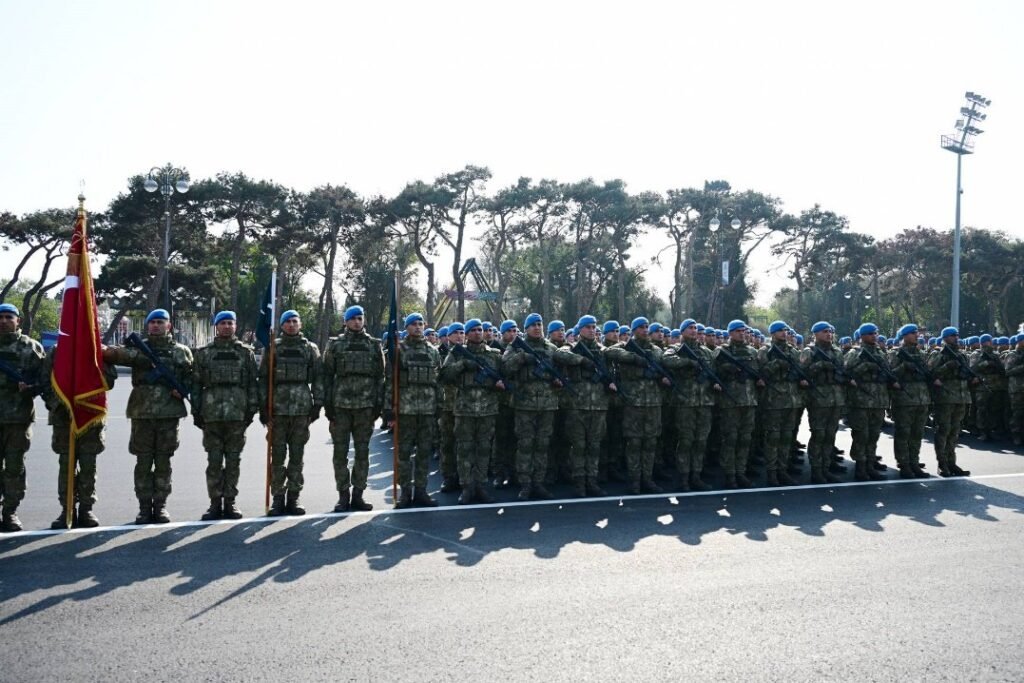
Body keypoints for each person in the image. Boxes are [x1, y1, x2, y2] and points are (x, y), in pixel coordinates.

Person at [103, 308, 193, 524]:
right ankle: (144, 507)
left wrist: (184, 390)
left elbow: (193, 377)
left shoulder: (181, 351)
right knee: (143, 462)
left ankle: (160, 506)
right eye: (152, 322)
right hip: (142, 413)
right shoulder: (139, 350)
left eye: (160, 322)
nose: (155, 325)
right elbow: (114, 354)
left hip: (168, 414)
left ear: (169, 326)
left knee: (163, 462)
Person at [502, 312, 584, 500]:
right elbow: (505, 368)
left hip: (547, 404)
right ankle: (525, 484)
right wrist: (521, 358)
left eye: (540, 324)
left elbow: (562, 366)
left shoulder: (550, 347)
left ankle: (539, 482)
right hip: (525, 404)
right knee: (525, 445)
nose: (537, 327)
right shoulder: (515, 347)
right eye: (533, 325)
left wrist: (558, 380)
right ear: (526, 329)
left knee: (542, 445)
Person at [191, 311, 259, 521]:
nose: (227, 326)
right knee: (213, 461)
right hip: (211, 415)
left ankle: (230, 502)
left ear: (235, 326)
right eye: (223, 323)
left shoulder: (245, 353)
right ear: (216, 327)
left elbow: (252, 384)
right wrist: (197, 410)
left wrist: (251, 410)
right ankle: (214, 503)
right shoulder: (203, 353)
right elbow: (196, 384)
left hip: (237, 415)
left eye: (230, 323)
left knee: (233, 461)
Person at [41, 343, 117, 528]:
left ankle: (86, 509)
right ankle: (66, 510)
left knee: (88, 465)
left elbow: (110, 380)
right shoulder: (57, 351)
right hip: (63, 417)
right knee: (66, 465)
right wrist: (60, 403)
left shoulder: (96, 348)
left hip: (90, 415)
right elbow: (44, 380)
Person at [259, 309, 324, 516]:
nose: (291, 325)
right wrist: (263, 407)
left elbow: (318, 377)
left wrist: (317, 404)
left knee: (297, 456)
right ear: (281, 325)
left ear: (301, 324)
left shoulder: (310, 348)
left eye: (295, 321)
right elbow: (263, 379)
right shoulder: (273, 348)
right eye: (287, 322)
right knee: (277, 457)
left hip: (301, 409)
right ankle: (278, 498)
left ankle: (293, 498)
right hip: (277, 409)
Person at [322, 305, 383, 512]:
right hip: (340, 407)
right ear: (346, 321)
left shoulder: (374, 345)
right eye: (353, 318)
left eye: (360, 318)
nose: (357, 321)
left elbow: (380, 377)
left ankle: (358, 494)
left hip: (365, 407)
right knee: (340, 453)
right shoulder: (335, 345)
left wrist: (378, 405)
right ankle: (343, 494)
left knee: (362, 453)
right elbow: (327, 376)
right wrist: (327, 406)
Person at [439, 318, 505, 504]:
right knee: (465, 449)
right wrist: (462, 365)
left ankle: (481, 486)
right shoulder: (457, 353)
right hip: (464, 410)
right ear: (466, 334)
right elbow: (444, 375)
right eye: (473, 330)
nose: (477, 332)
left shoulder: (494, 355)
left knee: (484, 450)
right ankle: (467, 487)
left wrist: (500, 384)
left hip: (488, 410)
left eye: (479, 329)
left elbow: (506, 375)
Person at [604, 317, 670, 494]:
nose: (645, 330)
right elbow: (609, 352)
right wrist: (634, 358)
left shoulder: (656, 351)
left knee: (650, 443)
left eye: (647, 327)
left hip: (653, 404)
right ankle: (634, 481)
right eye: (641, 327)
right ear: (633, 331)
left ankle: (647, 479)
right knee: (634, 443)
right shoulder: (625, 347)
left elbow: (666, 365)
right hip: (633, 404)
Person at [384, 312, 442, 508]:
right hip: (405, 410)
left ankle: (421, 491)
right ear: (406, 327)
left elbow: (437, 382)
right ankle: (405, 493)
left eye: (420, 323)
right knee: (403, 455)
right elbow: (391, 382)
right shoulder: (399, 351)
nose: (418, 327)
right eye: (413, 324)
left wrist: (439, 408)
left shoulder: (433, 351)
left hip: (427, 410)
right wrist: (389, 410)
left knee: (424, 453)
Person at [0, 303, 45, 532]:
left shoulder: (31, 347)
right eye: (1, 317)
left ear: (18, 320)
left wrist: (30, 387)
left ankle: (10, 513)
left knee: (15, 468)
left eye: (9, 317)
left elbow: (45, 381)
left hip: (18, 419)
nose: (4, 321)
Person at [561, 315, 614, 497]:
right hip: (577, 406)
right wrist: (582, 360)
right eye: (588, 327)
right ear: (580, 329)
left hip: (598, 407)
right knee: (578, 446)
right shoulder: (572, 348)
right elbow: (561, 354)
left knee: (594, 446)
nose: (592, 330)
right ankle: (579, 483)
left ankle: (591, 481)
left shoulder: (602, 351)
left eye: (594, 327)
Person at [662, 319, 718, 491]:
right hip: (685, 402)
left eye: (695, 328)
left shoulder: (705, 352)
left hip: (704, 402)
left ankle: (696, 475)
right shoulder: (676, 349)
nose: (694, 331)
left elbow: (713, 372)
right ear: (683, 332)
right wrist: (689, 362)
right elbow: (668, 360)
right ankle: (684, 478)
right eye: (690, 328)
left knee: (701, 441)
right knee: (686, 441)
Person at [711, 320, 764, 488]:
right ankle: (730, 474)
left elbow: (758, 372)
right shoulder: (722, 351)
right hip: (730, 402)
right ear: (731, 333)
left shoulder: (751, 351)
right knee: (730, 439)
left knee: (745, 439)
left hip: (749, 401)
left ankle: (741, 472)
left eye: (744, 330)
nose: (742, 333)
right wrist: (728, 369)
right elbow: (713, 373)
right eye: (738, 331)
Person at [844, 323, 897, 481]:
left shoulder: (880, 352)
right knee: (862, 435)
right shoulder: (855, 353)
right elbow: (846, 374)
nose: (875, 336)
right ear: (863, 336)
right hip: (861, 401)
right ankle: (861, 467)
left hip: (879, 400)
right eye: (871, 333)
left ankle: (870, 463)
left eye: (876, 333)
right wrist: (865, 367)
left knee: (874, 434)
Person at [757, 321, 806, 486]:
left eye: (785, 330)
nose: (784, 333)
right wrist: (777, 363)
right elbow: (761, 373)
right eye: (780, 331)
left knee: (786, 438)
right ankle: (772, 472)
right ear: (773, 333)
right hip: (774, 401)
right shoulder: (765, 351)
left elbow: (801, 369)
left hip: (791, 400)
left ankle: (782, 470)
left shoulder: (793, 351)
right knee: (773, 437)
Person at [801, 321, 848, 484]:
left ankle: (826, 468)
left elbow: (842, 372)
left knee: (830, 436)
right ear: (816, 334)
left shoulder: (837, 351)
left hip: (835, 399)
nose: (829, 334)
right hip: (818, 399)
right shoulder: (810, 351)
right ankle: (816, 470)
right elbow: (802, 374)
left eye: (830, 331)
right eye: (825, 331)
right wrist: (820, 365)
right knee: (819, 435)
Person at [928, 326, 977, 476]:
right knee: (943, 430)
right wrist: (948, 365)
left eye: (956, 335)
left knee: (955, 432)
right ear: (945, 338)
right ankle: (942, 464)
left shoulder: (961, 355)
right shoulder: (938, 354)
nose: (956, 337)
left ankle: (952, 462)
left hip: (961, 397)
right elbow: (931, 374)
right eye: (952, 335)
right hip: (946, 397)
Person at [888, 324, 934, 478]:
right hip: (904, 399)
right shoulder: (896, 353)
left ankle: (914, 462)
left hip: (922, 399)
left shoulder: (921, 354)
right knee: (903, 433)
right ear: (905, 336)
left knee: (917, 434)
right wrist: (904, 367)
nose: (917, 335)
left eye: (917, 333)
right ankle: (904, 464)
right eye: (913, 333)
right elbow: (889, 375)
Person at [971, 334, 1009, 442]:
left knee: (993, 409)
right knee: (982, 409)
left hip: (995, 386)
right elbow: (973, 369)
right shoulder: (977, 354)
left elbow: (1002, 370)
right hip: (982, 386)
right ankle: (982, 431)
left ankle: (991, 430)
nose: (991, 343)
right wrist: (986, 363)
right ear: (984, 342)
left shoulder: (995, 355)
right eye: (989, 341)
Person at [1005, 335, 1024, 448]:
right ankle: (1016, 435)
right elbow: (1007, 371)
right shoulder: (1012, 355)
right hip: (1017, 389)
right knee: (1017, 413)